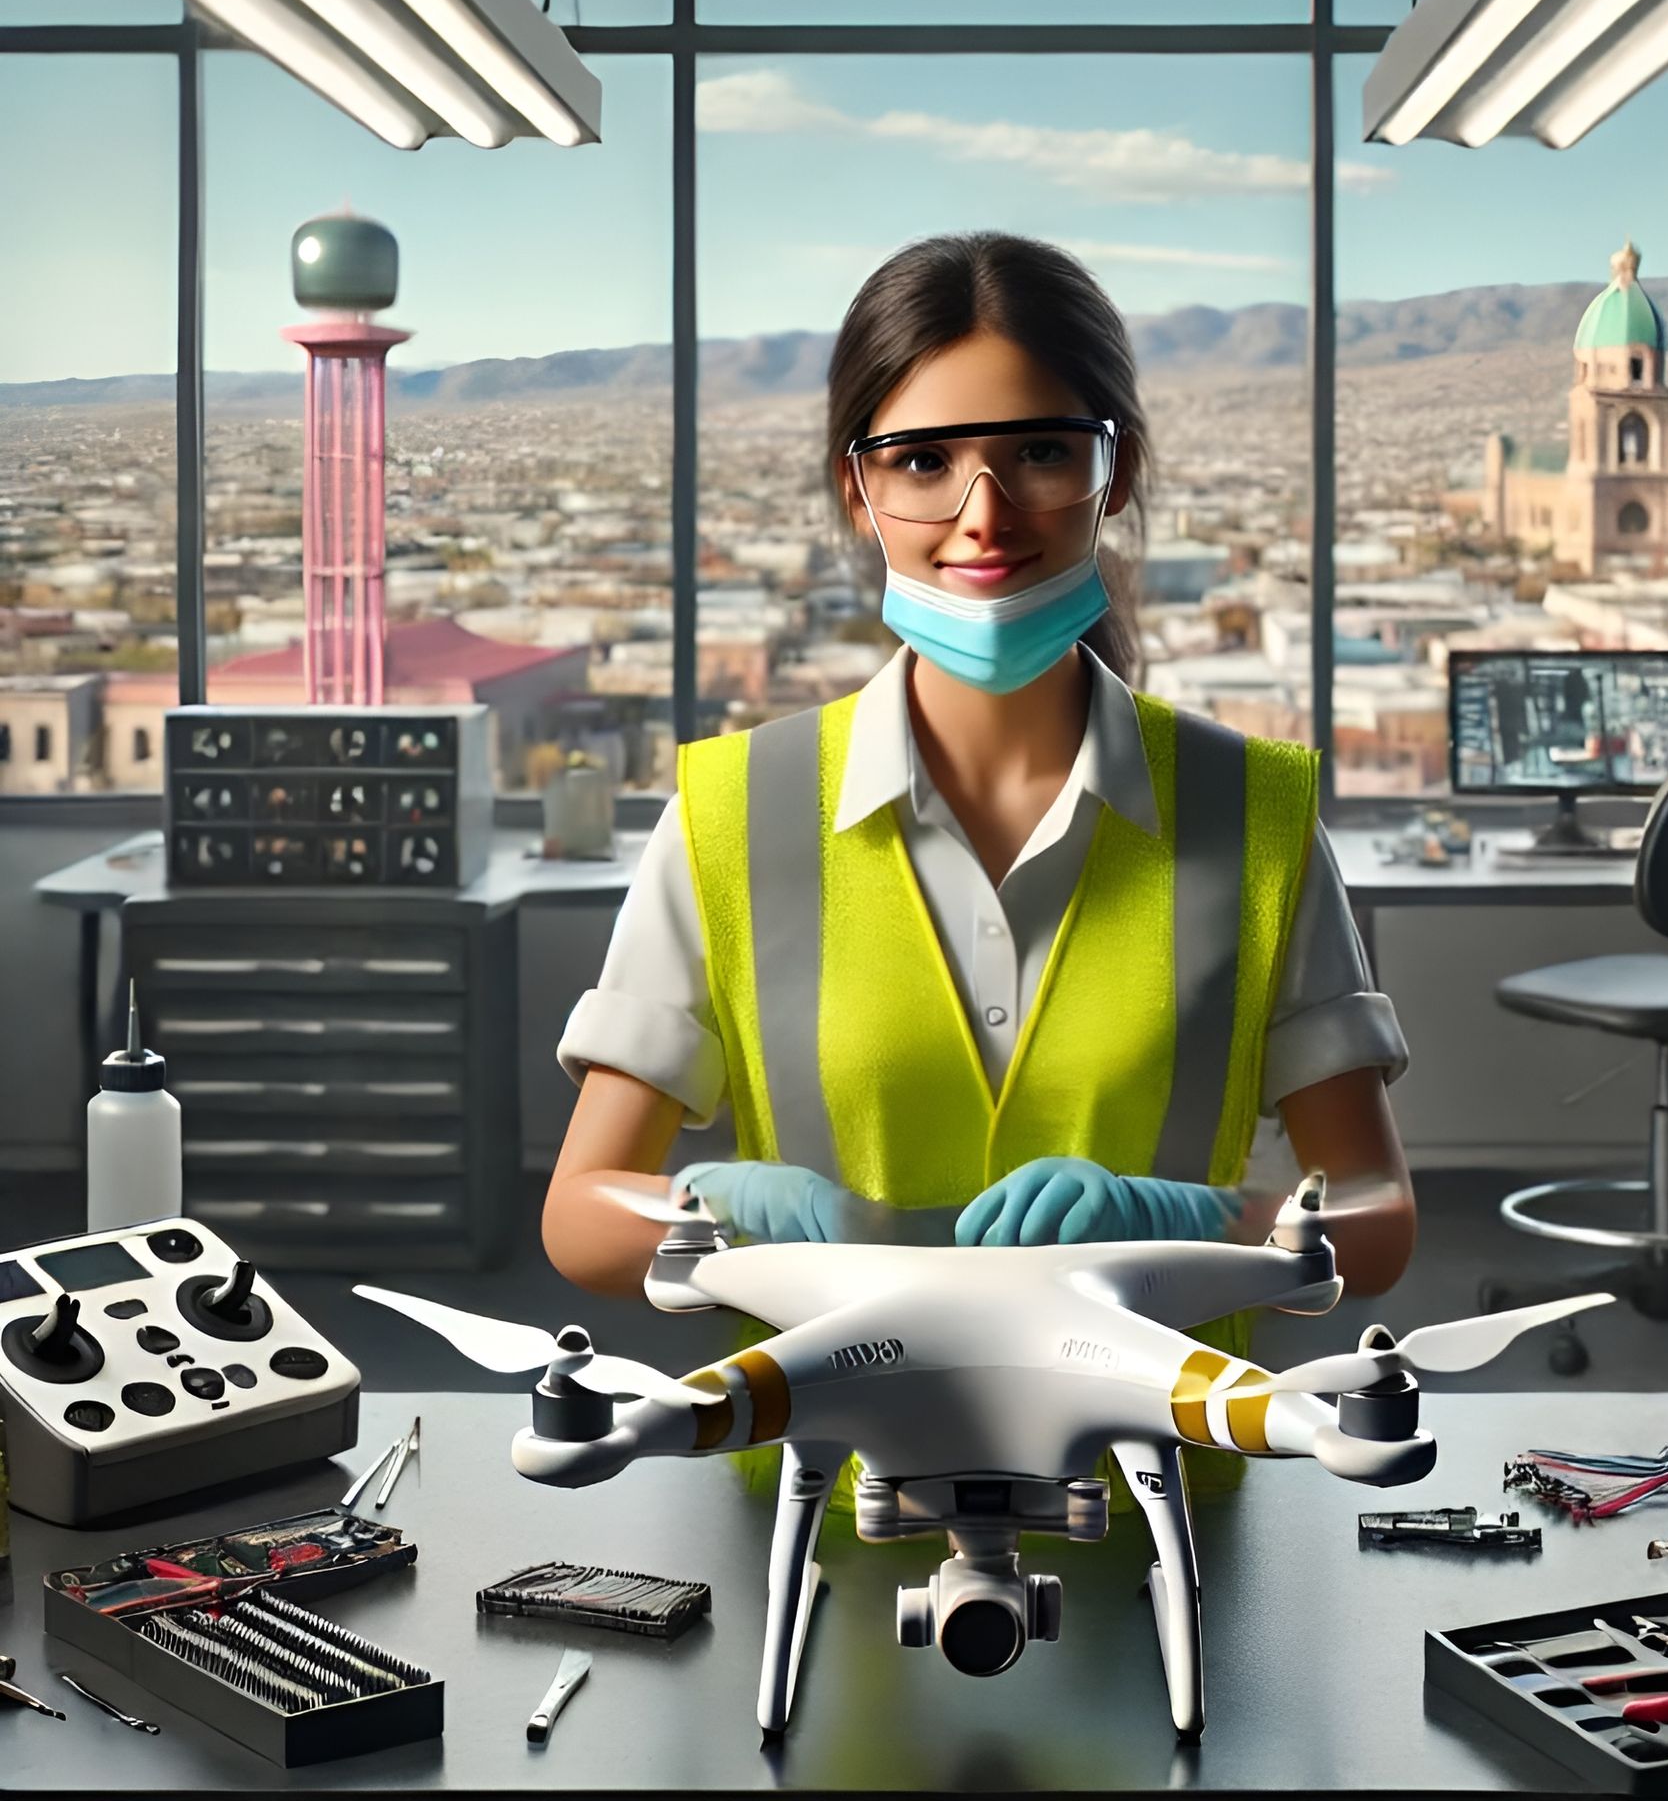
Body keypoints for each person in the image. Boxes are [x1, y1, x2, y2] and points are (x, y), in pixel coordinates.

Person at [544, 234, 1415, 1474]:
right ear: (858, 490)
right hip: (821, 1507)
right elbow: (581, 1213)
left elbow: (1376, 1221)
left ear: (1111, 476)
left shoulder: (1255, 815)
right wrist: (719, 1223)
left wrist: (1208, 1225)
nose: (985, 514)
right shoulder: (732, 813)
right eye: (924, 461)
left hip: (1162, 1507)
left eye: (1041, 453)